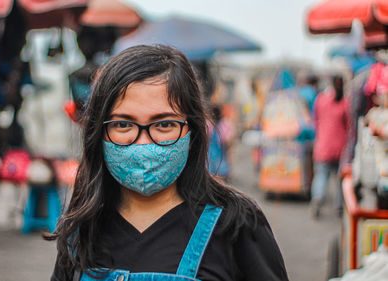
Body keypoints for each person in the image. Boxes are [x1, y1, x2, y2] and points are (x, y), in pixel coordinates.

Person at [46, 45, 288, 281]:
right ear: (98, 133)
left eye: (163, 125)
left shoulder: (235, 224)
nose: (142, 143)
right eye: (122, 124)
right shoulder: (82, 229)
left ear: (192, 132)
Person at [310, 76, 349, 218]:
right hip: (341, 147)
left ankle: (317, 199)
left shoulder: (321, 99)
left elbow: (315, 120)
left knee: (321, 176)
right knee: (339, 180)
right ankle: (339, 207)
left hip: (323, 146)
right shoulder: (345, 102)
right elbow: (349, 125)